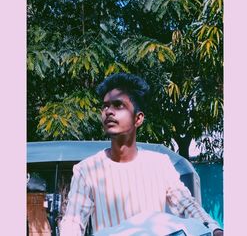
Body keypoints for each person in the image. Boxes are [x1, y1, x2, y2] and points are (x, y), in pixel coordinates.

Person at [60, 73, 223, 236]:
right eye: (105, 106)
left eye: (118, 105)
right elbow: (73, 222)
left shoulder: (160, 164)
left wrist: (214, 229)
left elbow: (186, 203)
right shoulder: (87, 170)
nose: (108, 112)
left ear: (138, 119)